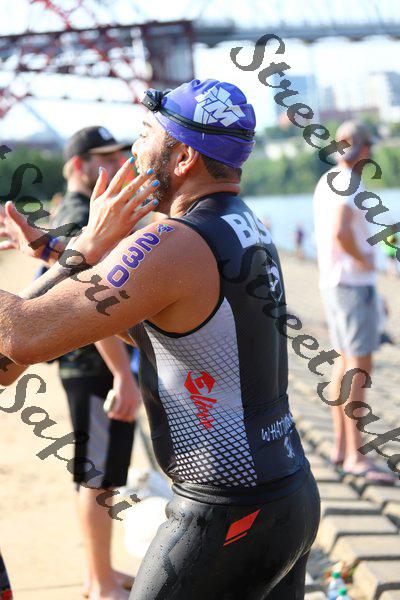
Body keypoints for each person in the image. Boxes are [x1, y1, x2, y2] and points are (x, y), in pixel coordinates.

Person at [0, 79, 320, 599]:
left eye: (146, 133)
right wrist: (56, 251)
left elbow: (23, 335)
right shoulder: (244, 225)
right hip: (288, 495)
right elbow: (148, 316)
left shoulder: (171, 239)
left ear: (184, 158)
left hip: (222, 513)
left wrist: (84, 247)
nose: (134, 149)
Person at [0, 127, 142, 600]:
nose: (118, 163)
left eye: (120, 155)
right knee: (98, 474)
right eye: (106, 157)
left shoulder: (75, 210)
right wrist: (122, 374)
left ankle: (99, 572)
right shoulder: (82, 214)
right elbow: (89, 302)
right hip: (96, 364)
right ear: (79, 165)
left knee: (101, 471)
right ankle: (100, 581)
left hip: (90, 362)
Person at [313, 120, 395, 483]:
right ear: (362, 149)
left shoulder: (328, 180)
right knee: (359, 371)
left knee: (344, 366)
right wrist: (368, 263)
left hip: (335, 285)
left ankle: (342, 448)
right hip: (351, 285)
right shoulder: (349, 183)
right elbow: (341, 233)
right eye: (370, 146)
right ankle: (355, 457)